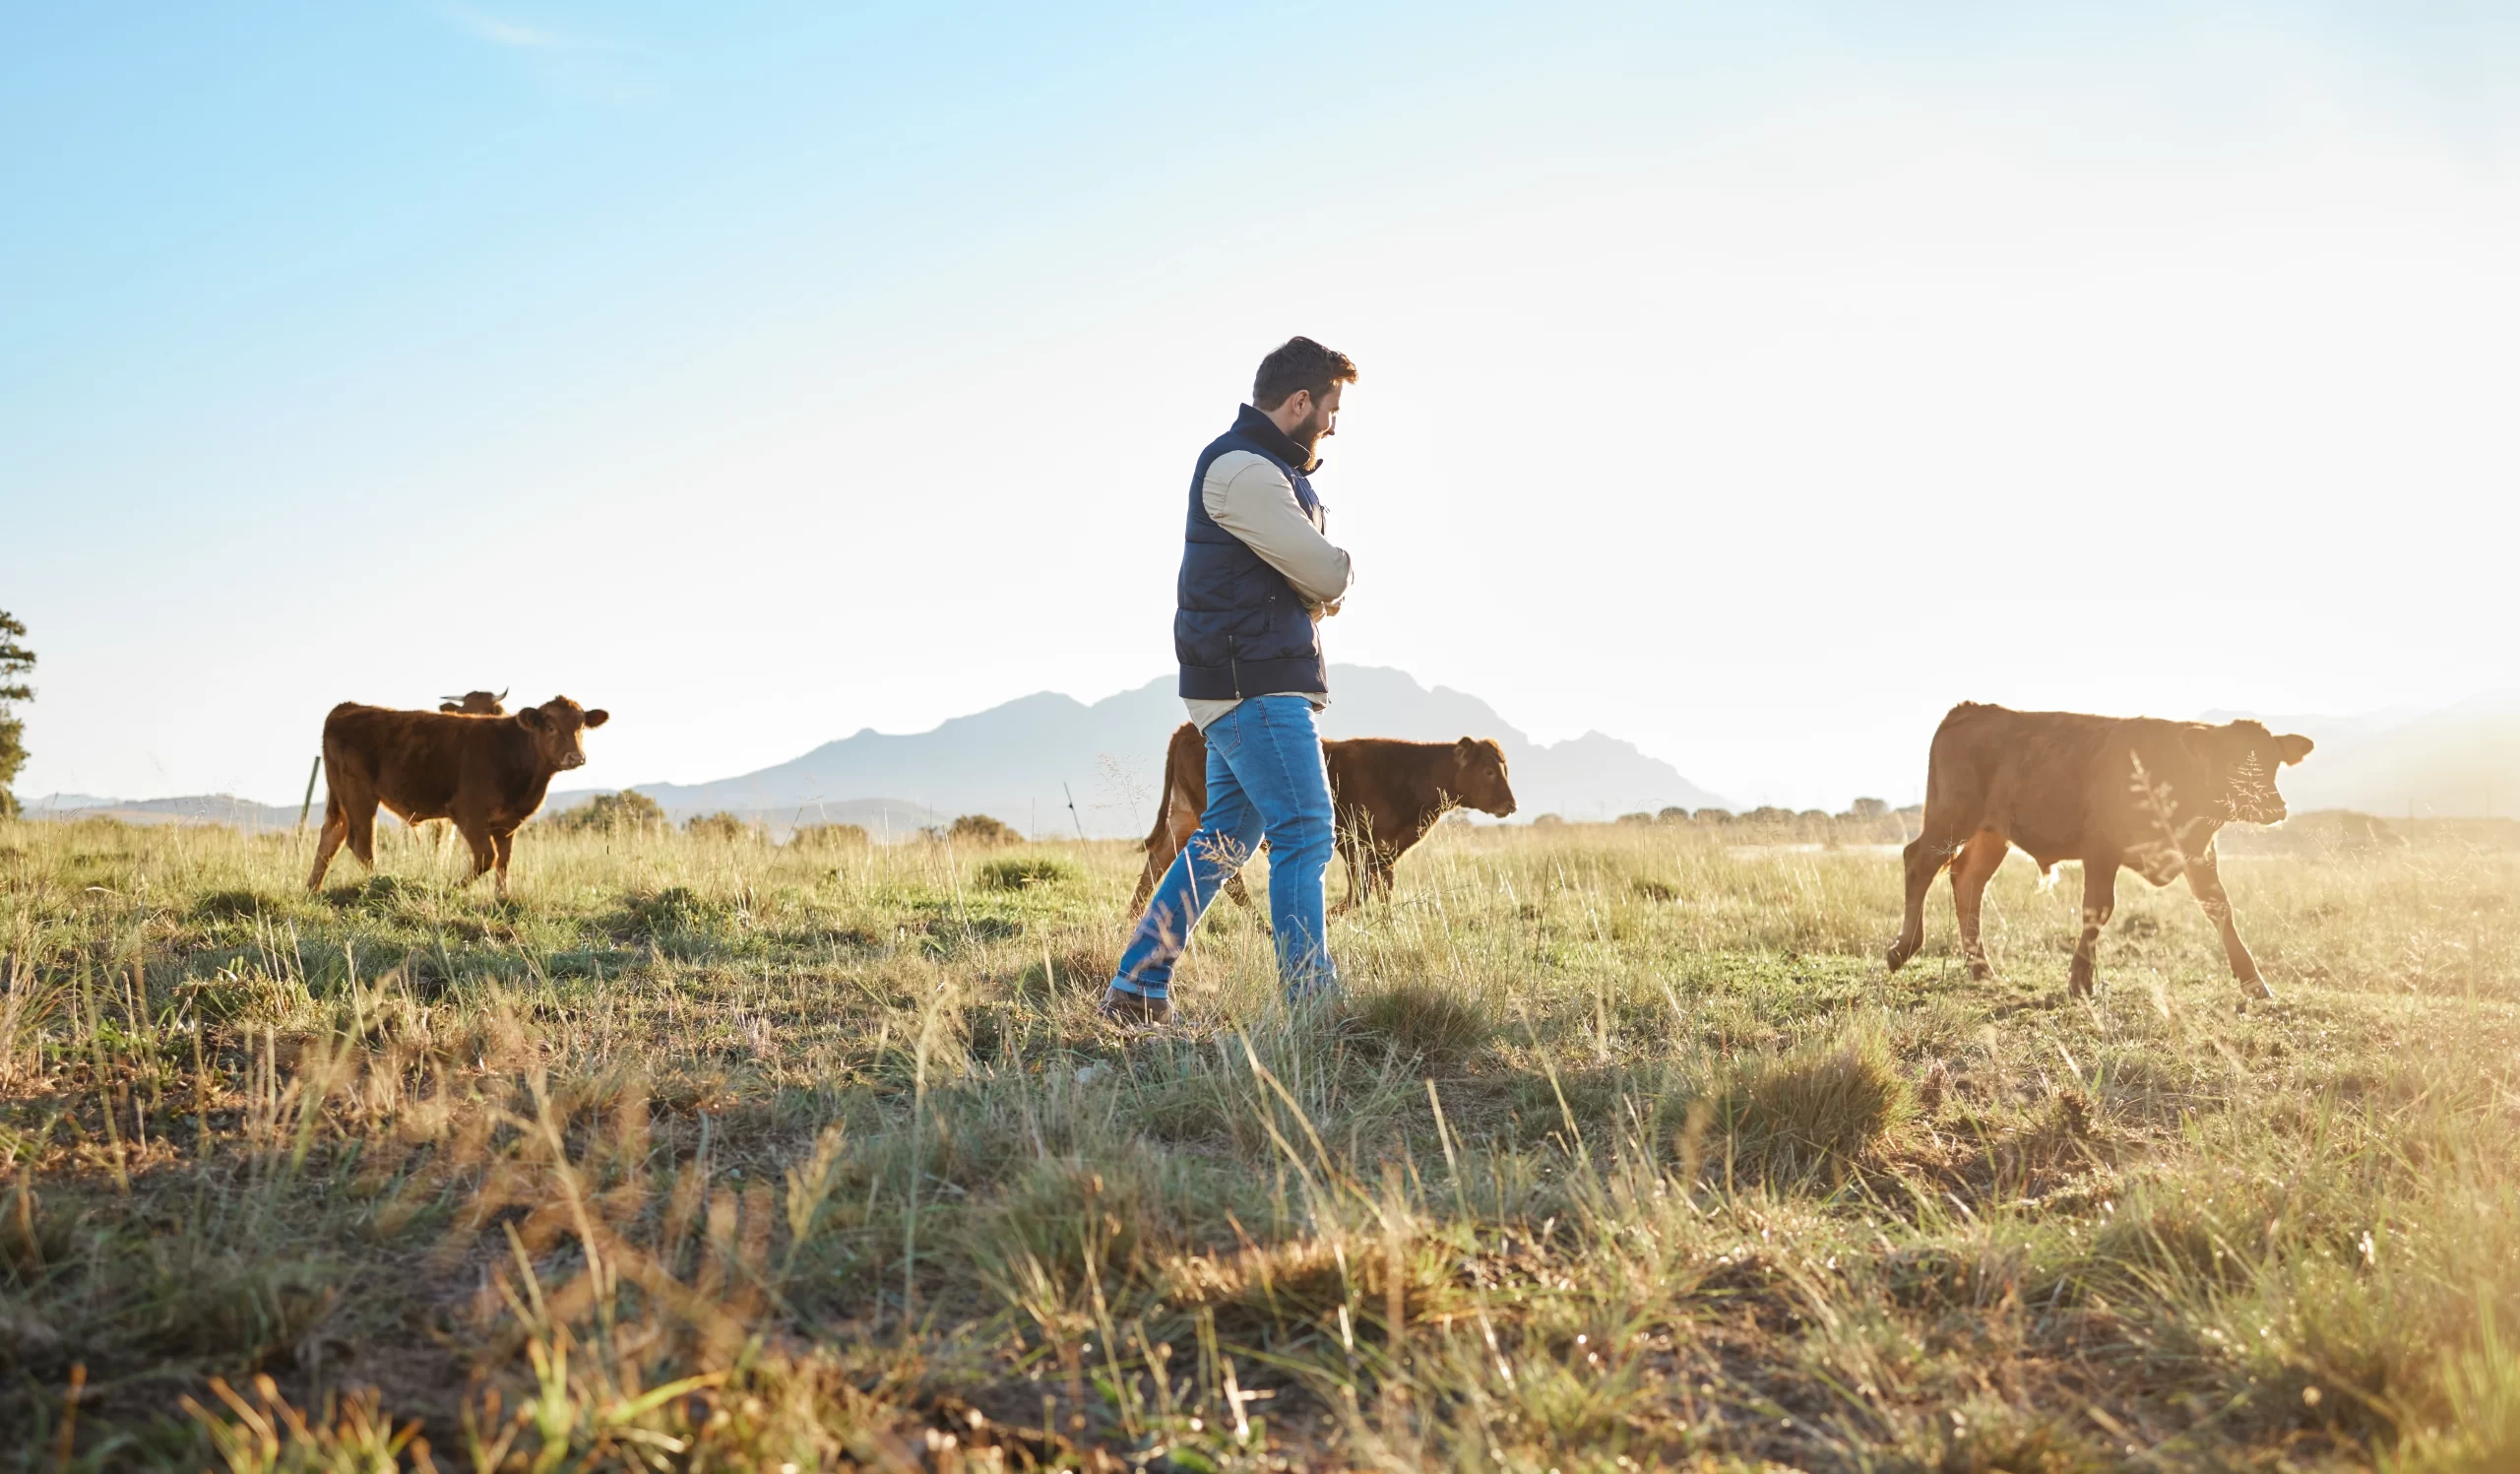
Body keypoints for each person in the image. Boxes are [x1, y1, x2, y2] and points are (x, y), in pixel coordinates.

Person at [1100, 338, 1359, 1025]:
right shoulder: (1245, 470)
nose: (1333, 425)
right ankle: (1312, 1005)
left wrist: (1315, 580)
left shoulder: (1269, 471)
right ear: (1299, 401)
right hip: (1256, 683)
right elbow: (1328, 575)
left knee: (1224, 841)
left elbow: (1311, 579)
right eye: (1331, 409)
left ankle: (1137, 987)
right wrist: (1329, 576)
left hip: (1246, 678)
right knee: (1305, 830)